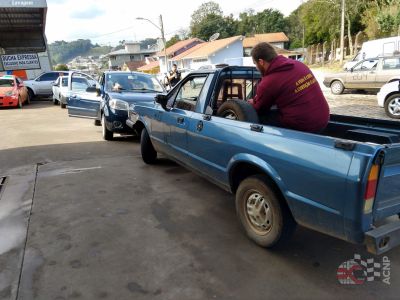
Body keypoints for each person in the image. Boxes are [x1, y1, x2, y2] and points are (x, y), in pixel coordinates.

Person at [249, 42, 330, 133]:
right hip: (323, 119)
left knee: (258, 119)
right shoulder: (298, 65)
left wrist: (251, 102)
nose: (256, 67)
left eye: (255, 64)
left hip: (306, 126)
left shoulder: (268, 82)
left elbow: (259, 108)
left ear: (261, 62)